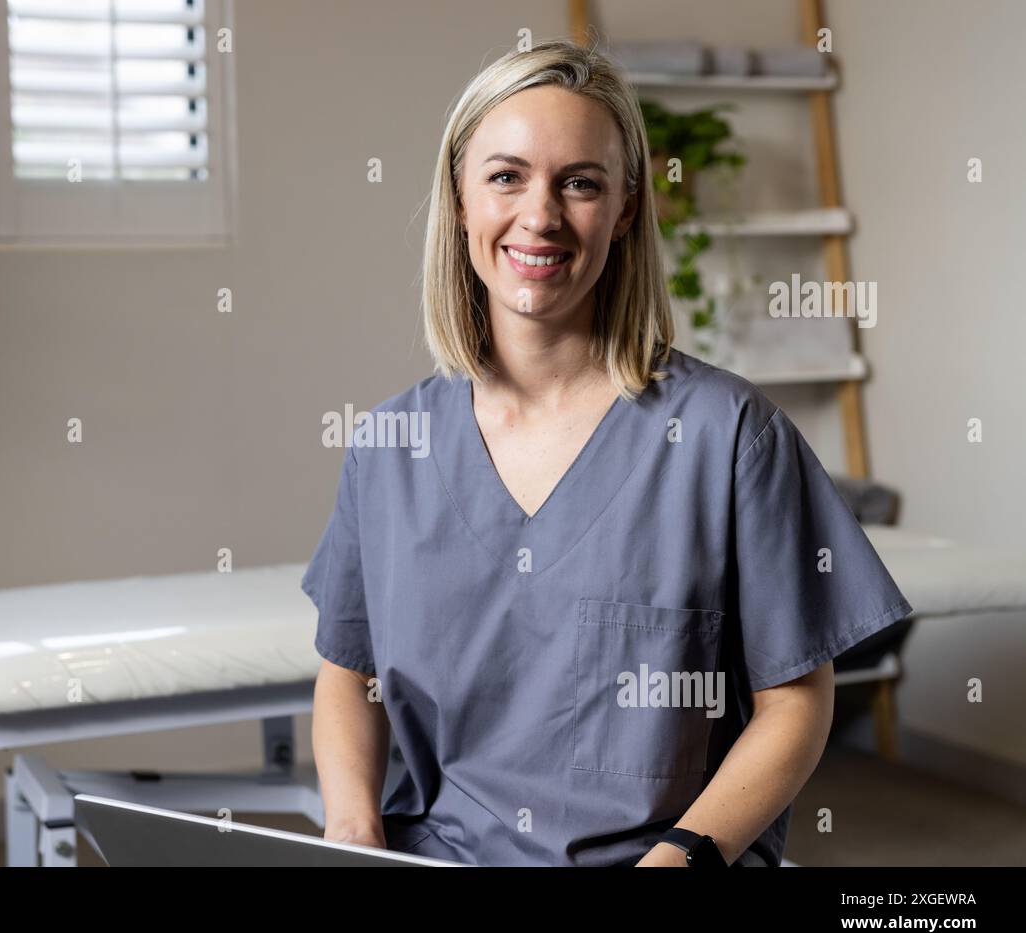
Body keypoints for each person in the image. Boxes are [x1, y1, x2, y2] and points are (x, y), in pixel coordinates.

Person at [304, 39, 911, 866]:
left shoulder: (729, 436)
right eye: (506, 175)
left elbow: (795, 705)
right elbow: (349, 672)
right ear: (459, 197)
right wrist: (352, 836)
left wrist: (680, 858)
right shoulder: (389, 446)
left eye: (580, 182)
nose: (541, 215)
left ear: (626, 208)